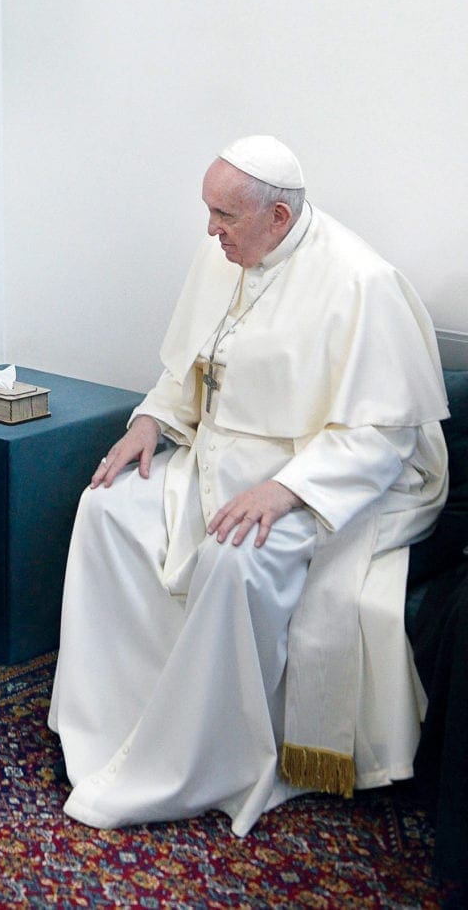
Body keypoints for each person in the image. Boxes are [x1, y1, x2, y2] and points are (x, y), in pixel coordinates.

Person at [47, 135, 449, 836]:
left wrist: (287, 489)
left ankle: (205, 760)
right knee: (106, 507)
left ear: (279, 218)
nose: (210, 231)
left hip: (333, 479)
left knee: (236, 558)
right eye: (209, 210)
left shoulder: (362, 282)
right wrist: (149, 421)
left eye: (224, 215)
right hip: (218, 456)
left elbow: (381, 438)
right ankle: (114, 718)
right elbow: (193, 368)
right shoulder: (226, 253)